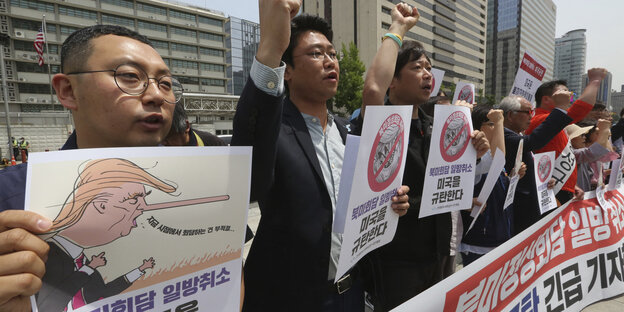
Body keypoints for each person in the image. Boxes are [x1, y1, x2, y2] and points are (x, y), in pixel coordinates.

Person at [231, 1, 410, 310]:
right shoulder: (274, 132)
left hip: (350, 293)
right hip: (289, 299)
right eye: (316, 54)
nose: (330, 62)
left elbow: (375, 89)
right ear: (287, 71)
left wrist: (390, 202)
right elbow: (251, 144)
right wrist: (271, 49)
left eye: (332, 53)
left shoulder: (348, 134)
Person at [0, 24, 180, 311]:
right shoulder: (9, 198)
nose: (157, 95)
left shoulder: (202, 176)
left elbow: (234, 275)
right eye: (130, 77)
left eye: (166, 83)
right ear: (68, 90)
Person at [360, 4, 489, 310]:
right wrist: (398, 28)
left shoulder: (440, 127)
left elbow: (450, 186)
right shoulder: (381, 124)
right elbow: (373, 89)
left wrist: (475, 152)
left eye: (429, 68)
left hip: (440, 252)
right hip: (396, 261)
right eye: (416, 68)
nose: (427, 74)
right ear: (393, 80)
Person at [37, 158, 175, 311]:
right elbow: (48, 305)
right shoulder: (47, 255)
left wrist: (140, 269)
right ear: (101, 205)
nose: (144, 206)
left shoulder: (85, 263)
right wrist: (88, 269)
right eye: (134, 200)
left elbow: (105, 292)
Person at [527, 70, 607, 205]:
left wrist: (571, 185)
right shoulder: (540, 120)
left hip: (561, 187)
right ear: (546, 99)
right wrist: (595, 81)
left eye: (570, 95)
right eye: (565, 94)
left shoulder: (556, 122)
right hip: (550, 191)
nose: (570, 98)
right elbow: (580, 109)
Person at [499, 95, 577, 234]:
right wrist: (559, 110)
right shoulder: (503, 136)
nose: (531, 116)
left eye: (533, 112)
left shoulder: (516, 136)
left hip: (528, 210)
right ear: (510, 115)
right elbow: (533, 141)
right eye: (528, 112)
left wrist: (543, 180)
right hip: (516, 212)